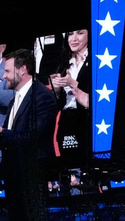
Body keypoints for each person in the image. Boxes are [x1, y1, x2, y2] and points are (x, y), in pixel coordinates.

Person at [0, 49, 58, 159]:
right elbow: (8, 142)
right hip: (15, 170)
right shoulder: (15, 100)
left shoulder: (42, 96)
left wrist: (1, 131)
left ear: (22, 70)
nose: (4, 76)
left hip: (35, 171)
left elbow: (34, 139)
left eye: (7, 71)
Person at [48, 29, 91, 157]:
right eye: (70, 34)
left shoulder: (96, 60)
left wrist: (73, 83)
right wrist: (56, 89)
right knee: (68, 164)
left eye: (80, 33)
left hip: (86, 119)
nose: (74, 38)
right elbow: (59, 101)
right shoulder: (64, 62)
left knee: (85, 162)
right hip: (66, 120)